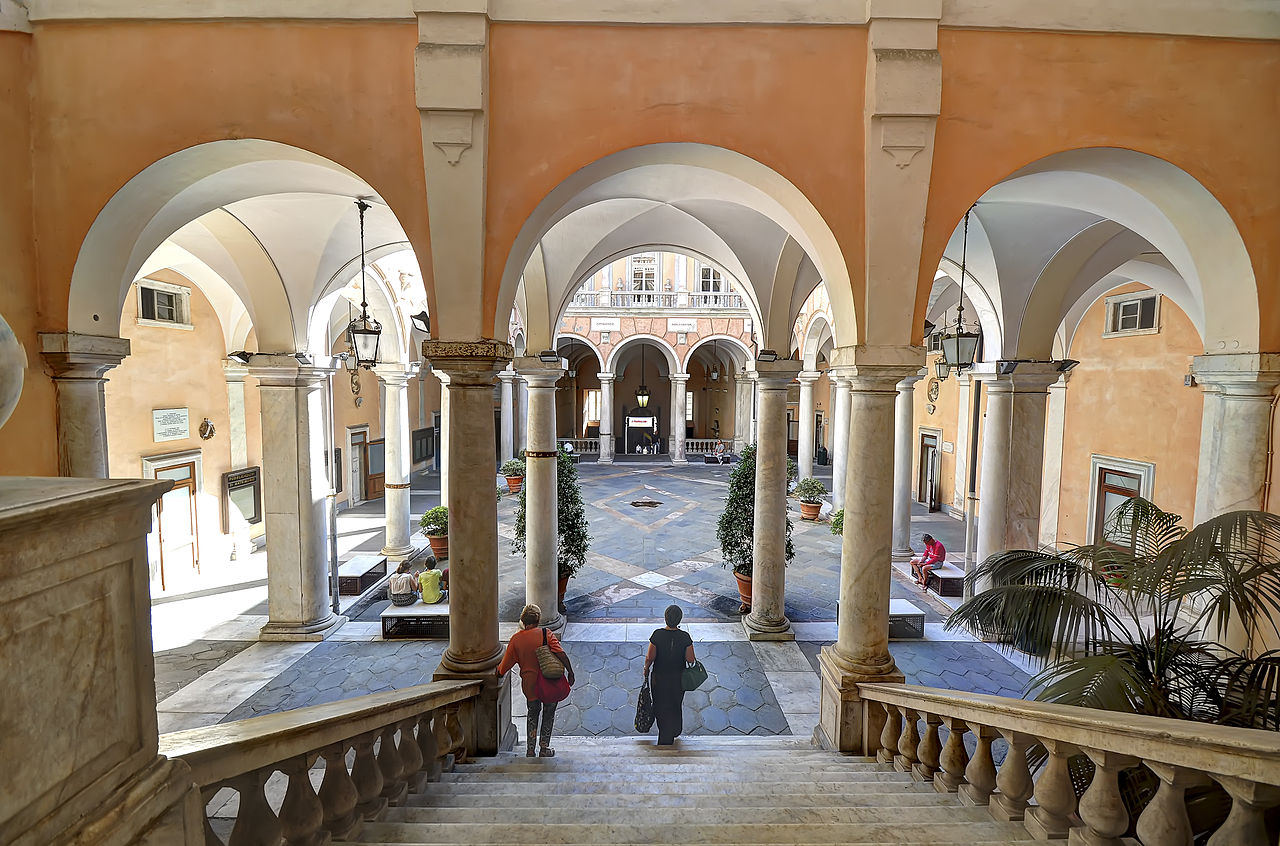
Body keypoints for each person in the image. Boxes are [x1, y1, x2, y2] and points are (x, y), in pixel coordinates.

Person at [497, 604, 575, 757]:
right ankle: (544, 748)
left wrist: (497, 673)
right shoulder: (546, 634)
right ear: (538, 620)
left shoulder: (516, 640)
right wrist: (570, 672)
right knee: (548, 713)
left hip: (530, 685)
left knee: (532, 713)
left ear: (523, 620)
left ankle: (530, 749)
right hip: (549, 681)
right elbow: (561, 654)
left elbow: (503, 668)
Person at [644, 604, 696, 746]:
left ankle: (665, 737)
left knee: (661, 705)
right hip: (678, 680)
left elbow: (650, 657)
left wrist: (646, 668)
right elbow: (690, 659)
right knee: (675, 704)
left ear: (665, 618)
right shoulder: (685, 637)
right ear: (679, 619)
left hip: (659, 679)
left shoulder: (657, 635)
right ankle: (675, 729)